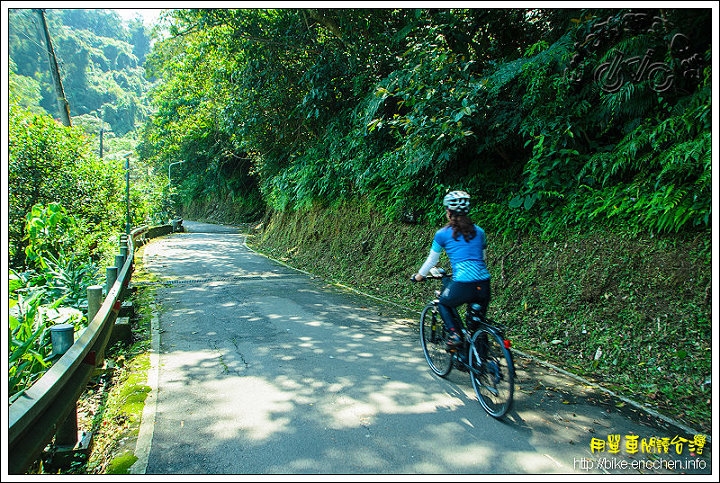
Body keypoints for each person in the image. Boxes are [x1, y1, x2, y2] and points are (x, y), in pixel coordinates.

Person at [411, 190, 491, 350]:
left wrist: (419, 276)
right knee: (476, 323)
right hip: (484, 283)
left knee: (443, 303)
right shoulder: (480, 232)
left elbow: (432, 260)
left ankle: (454, 334)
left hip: (463, 282)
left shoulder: (442, 234)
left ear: (449, 211)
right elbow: (482, 258)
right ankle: (481, 362)